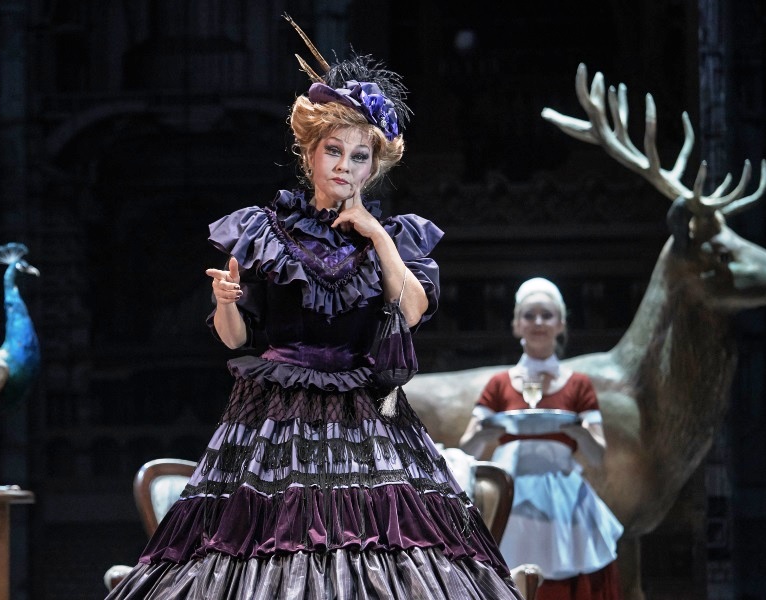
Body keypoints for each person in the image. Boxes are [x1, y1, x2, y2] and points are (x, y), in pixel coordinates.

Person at [106, 16, 522, 600]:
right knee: (263, 551)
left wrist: (375, 235)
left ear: (374, 166)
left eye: (360, 156)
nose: (346, 166)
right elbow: (236, 340)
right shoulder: (265, 232)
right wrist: (225, 302)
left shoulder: (394, 238)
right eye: (334, 151)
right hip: (276, 415)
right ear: (310, 153)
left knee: (388, 548)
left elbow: (410, 311)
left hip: (366, 415)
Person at [459, 277, 624, 600]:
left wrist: (577, 431)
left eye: (547, 315)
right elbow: (468, 447)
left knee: (570, 577)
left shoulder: (578, 384)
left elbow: (597, 455)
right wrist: (486, 433)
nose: (538, 322)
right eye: (529, 315)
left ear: (560, 324)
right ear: (516, 325)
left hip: (563, 499)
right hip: (509, 494)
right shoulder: (499, 384)